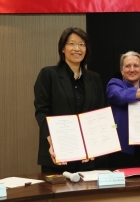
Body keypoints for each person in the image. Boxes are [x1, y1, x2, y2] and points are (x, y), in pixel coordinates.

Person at [34, 27, 105, 173]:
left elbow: (99, 114)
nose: (77, 48)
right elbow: (42, 111)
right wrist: (53, 141)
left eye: (82, 44)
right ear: (62, 48)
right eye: (71, 44)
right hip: (58, 155)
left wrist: (95, 144)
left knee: (87, 196)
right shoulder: (48, 74)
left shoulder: (95, 78)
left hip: (87, 158)